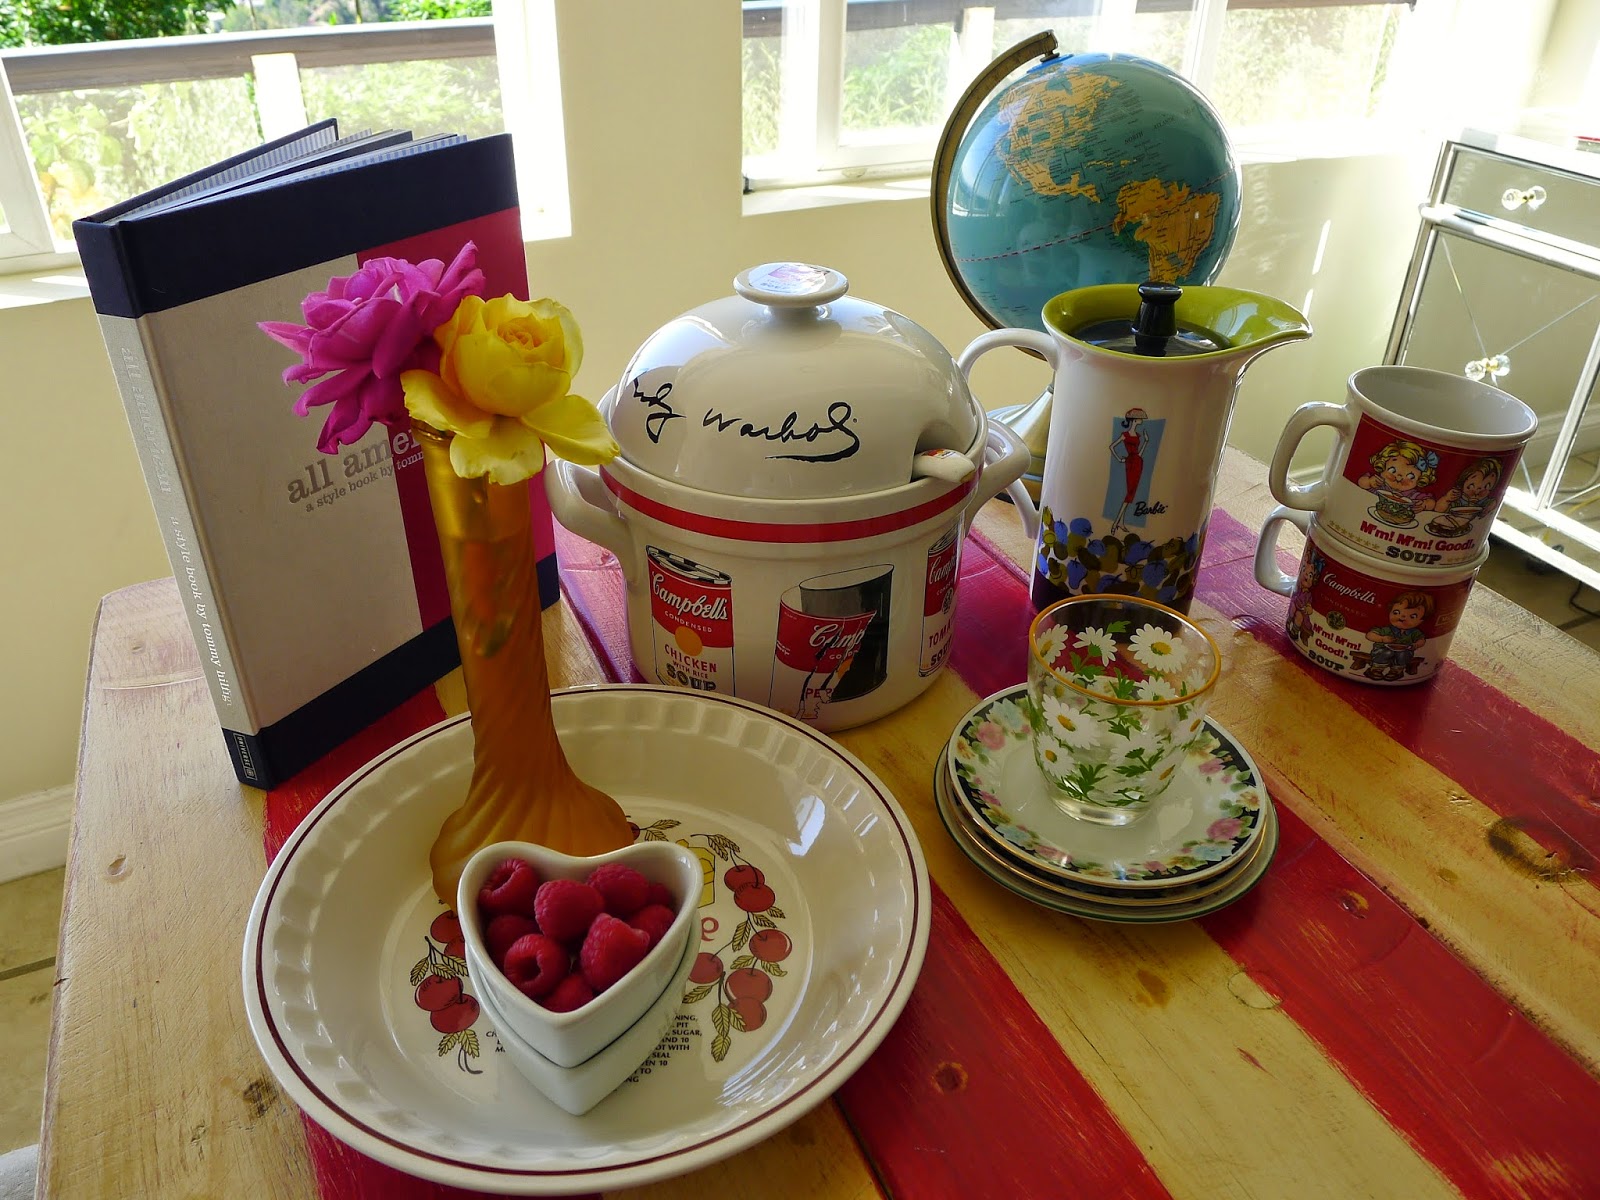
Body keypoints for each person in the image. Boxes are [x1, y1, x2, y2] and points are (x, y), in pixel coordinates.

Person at [1356, 440, 1449, 515]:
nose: (1399, 478)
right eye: (1392, 470)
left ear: (1420, 479)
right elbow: (1361, 482)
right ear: (1382, 465)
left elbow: (1431, 503)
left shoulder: (1413, 495)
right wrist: (1369, 482)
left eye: (1410, 476)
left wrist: (1424, 504)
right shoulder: (1378, 483)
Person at [1364, 591, 1433, 681]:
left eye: (1412, 616)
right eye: (1396, 612)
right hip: (1383, 651)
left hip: (1403, 652)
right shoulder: (1386, 629)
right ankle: (1376, 669)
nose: (1402, 617)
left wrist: (1416, 645)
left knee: (1404, 654)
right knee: (1385, 652)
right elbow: (1369, 635)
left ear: (1420, 621)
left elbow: (1422, 640)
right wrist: (1382, 639)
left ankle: (1396, 671)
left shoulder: (1414, 633)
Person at [1108, 408, 1149, 533]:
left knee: (1132, 493)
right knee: (1129, 493)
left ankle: (1121, 522)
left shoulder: (1138, 435)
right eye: (1140, 418)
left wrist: (1146, 442)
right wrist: (1120, 459)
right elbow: (1112, 446)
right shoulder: (1125, 435)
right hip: (1130, 463)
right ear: (1135, 420)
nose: (1141, 420)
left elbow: (1139, 454)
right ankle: (1115, 523)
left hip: (1138, 463)